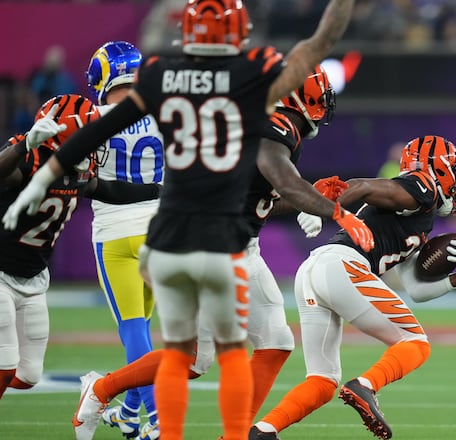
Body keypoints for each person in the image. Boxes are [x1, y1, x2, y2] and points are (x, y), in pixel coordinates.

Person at [2, 2, 369, 440]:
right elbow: (314, 51)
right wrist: (327, 208)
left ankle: (120, 398)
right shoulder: (253, 79)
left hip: (182, 227)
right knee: (207, 355)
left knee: (242, 347)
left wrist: (40, 168)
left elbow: (105, 122)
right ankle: (114, 396)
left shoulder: (162, 75)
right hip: (210, 235)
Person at [69, 65, 341, 440]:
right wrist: (320, 206)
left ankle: (231, 434)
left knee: (275, 343)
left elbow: (262, 195)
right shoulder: (273, 127)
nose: (322, 109)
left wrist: (304, 202)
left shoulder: (267, 125)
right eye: (317, 99)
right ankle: (101, 390)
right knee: (197, 358)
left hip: (238, 246)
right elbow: (280, 181)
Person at [249, 135, 456, 440]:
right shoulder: (421, 186)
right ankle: (365, 386)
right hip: (343, 267)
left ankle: (262, 432)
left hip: (316, 270)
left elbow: (416, 289)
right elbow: (363, 185)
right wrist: (320, 206)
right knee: (416, 343)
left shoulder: (421, 217)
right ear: (441, 169)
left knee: (323, 381)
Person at [0, 95, 161, 400]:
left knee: (28, 375)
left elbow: (110, 190)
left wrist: (160, 191)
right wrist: (22, 144)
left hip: (34, 277)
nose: (95, 142)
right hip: (1, 272)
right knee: (5, 366)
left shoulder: (81, 169)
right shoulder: (31, 159)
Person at [83, 40, 165, 440]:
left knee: (134, 331)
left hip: (115, 233)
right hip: (160, 231)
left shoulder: (91, 118)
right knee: (147, 329)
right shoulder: (164, 114)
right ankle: (131, 413)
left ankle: (158, 417)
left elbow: (78, 176)